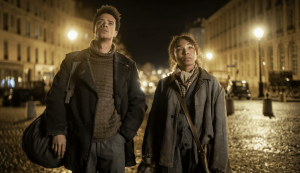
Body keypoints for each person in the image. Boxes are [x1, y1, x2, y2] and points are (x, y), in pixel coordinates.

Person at [44, 5, 146, 173]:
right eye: (101, 22)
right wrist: (58, 131)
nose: (105, 25)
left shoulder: (127, 65)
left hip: (114, 141)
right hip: (82, 141)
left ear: (115, 33)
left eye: (110, 23)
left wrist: (124, 135)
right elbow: (55, 96)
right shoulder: (73, 61)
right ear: (94, 29)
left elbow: (138, 101)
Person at [138, 34, 229, 173]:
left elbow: (221, 126)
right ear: (174, 56)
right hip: (169, 153)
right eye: (179, 49)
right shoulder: (164, 84)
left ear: (196, 52)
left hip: (199, 154)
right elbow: (153, 122)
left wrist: (218, 164)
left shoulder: (212, 84)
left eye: (190, 47)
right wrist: (148, 157)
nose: (186, 52)